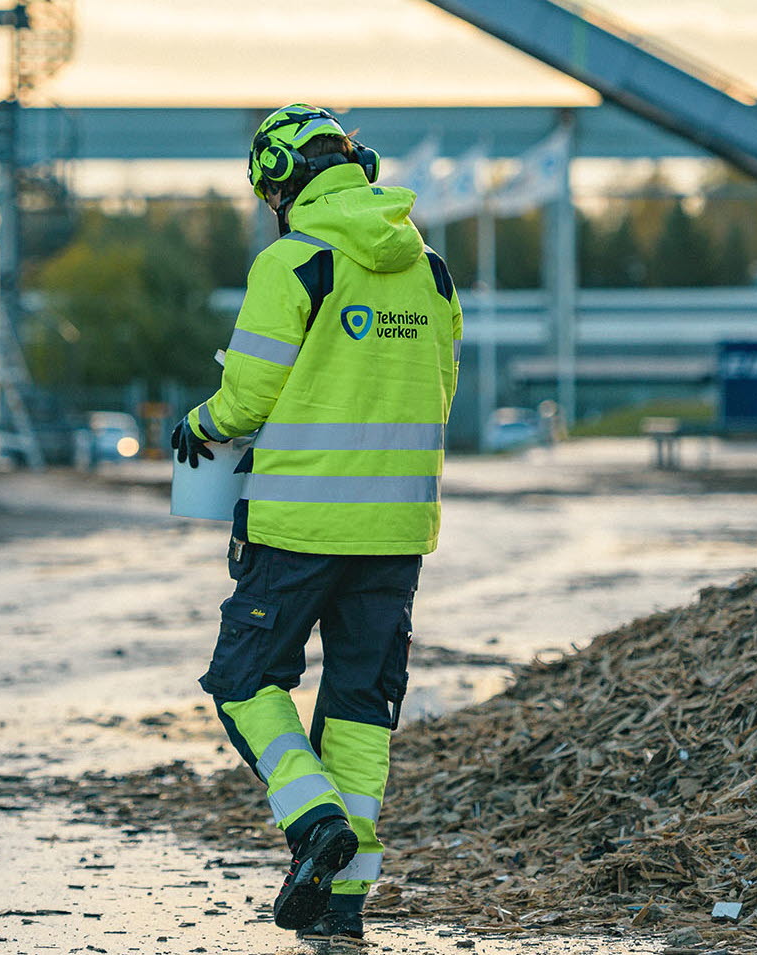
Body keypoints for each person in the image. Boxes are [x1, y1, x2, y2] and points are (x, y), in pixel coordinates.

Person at [170, 104, 461, 943]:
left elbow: (248, 399)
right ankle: (343, 899)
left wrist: (200, 425)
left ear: (281, 181)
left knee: (242, 681)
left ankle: (313, 822)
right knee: (362, 706)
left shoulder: (292, 261)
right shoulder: (431, 271)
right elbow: (438, 391)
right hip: (397, 530)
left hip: (299, 524)